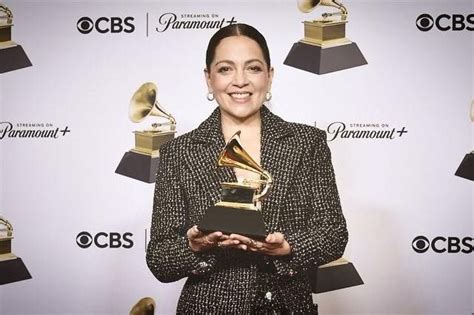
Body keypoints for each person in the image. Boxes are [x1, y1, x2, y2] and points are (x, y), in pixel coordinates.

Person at [146, 23, 348, 314]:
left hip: (288, 306)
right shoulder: (178, 152)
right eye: (226, 69)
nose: (240, 81)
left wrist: (286, 247)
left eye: (252, 68)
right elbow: (160, 260)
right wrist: (196, 246)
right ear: (209, 78)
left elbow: (333, 234)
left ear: (269, 75)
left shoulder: (307, 143)